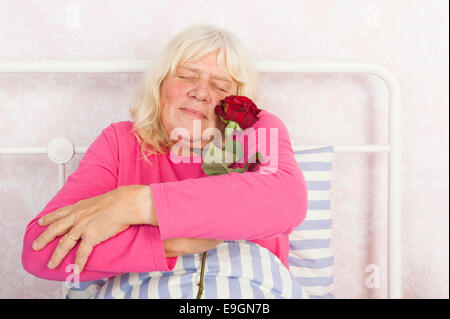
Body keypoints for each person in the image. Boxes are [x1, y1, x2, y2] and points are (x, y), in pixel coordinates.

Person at [21, 25, 309, 299]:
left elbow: (286, 200)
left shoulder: (256, 129)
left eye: (220, 85)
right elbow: (41, 251)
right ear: (160, 84)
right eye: (186, 75)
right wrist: (169, 244)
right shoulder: (121, 142)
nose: (201, 91)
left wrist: (133, 204)